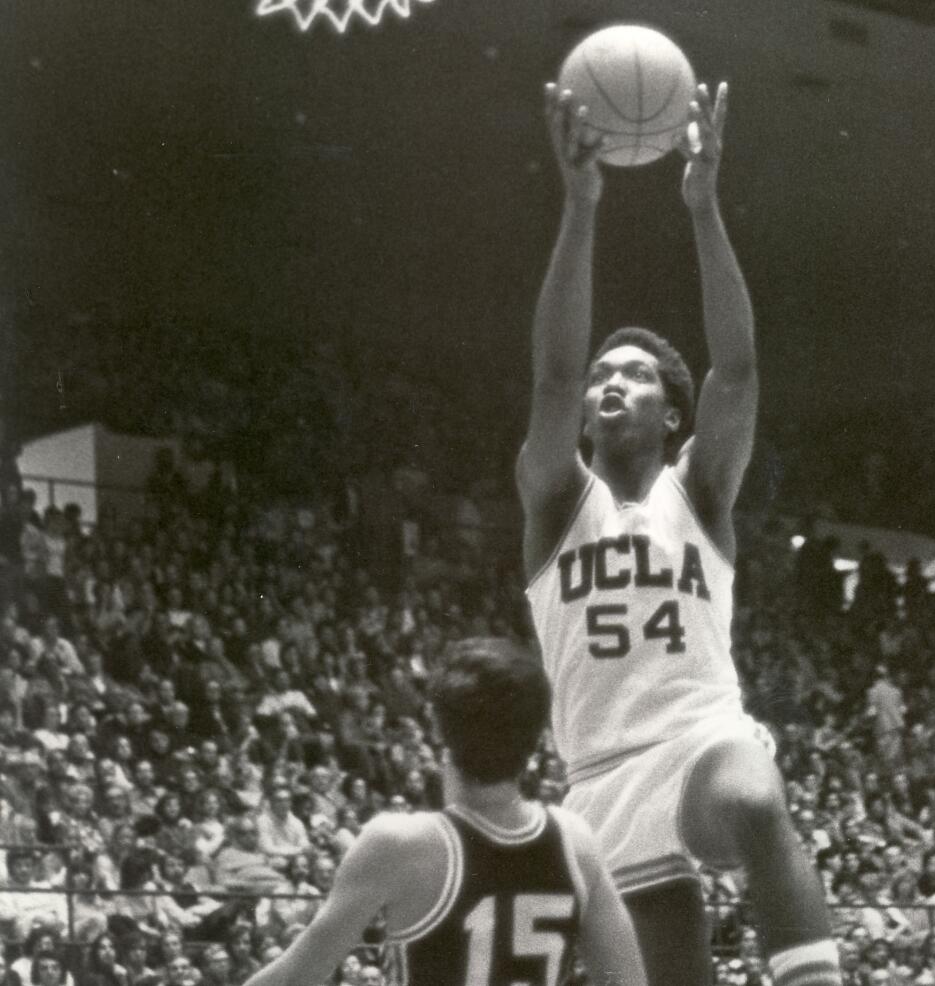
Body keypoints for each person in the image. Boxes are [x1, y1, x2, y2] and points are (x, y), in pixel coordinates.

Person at [519, 80, 836, 986]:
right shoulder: (553, 503)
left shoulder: (697, 491)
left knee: (752, 795)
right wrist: (581, 208)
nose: (606, 383)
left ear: (671, 414)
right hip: (600, 778)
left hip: (700, 740)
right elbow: (549, 375)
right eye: (601, 377)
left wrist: (703, 207)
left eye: (635, 376)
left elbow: (737, 366)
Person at [241, 638, 646, 986]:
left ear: (437, 727)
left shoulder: (400, 843)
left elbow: (296, 976)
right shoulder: (575, 842)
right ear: (537, 735)